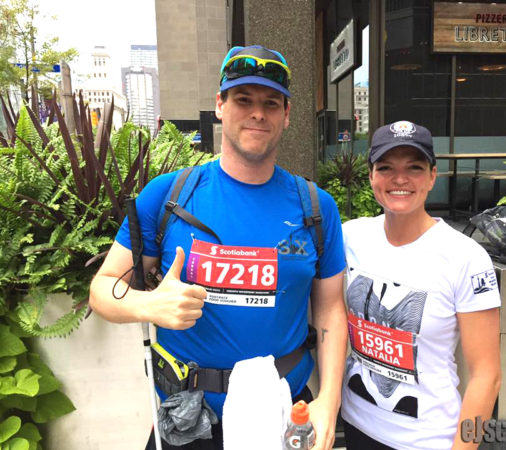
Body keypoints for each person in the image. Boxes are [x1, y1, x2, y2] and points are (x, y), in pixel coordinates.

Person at [89, 45, 348, 450]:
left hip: (286, 415)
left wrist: (329, 401)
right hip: (190, 420)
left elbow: (331, 306)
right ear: (220, 106)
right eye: (243, 99)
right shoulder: (167, 196)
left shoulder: (316, 207)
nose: (257, 113)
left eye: (270, 103)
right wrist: (148, 305)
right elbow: (102, 289)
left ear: (286, 115)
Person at [340, 121, 501, 449]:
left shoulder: (466, 257)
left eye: (414, 167)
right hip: (356, 424)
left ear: (432, 176)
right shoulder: (350, 237)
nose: (400, 179)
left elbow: (487, 375)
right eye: (386, 167)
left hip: (428, 439)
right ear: (371, 176)